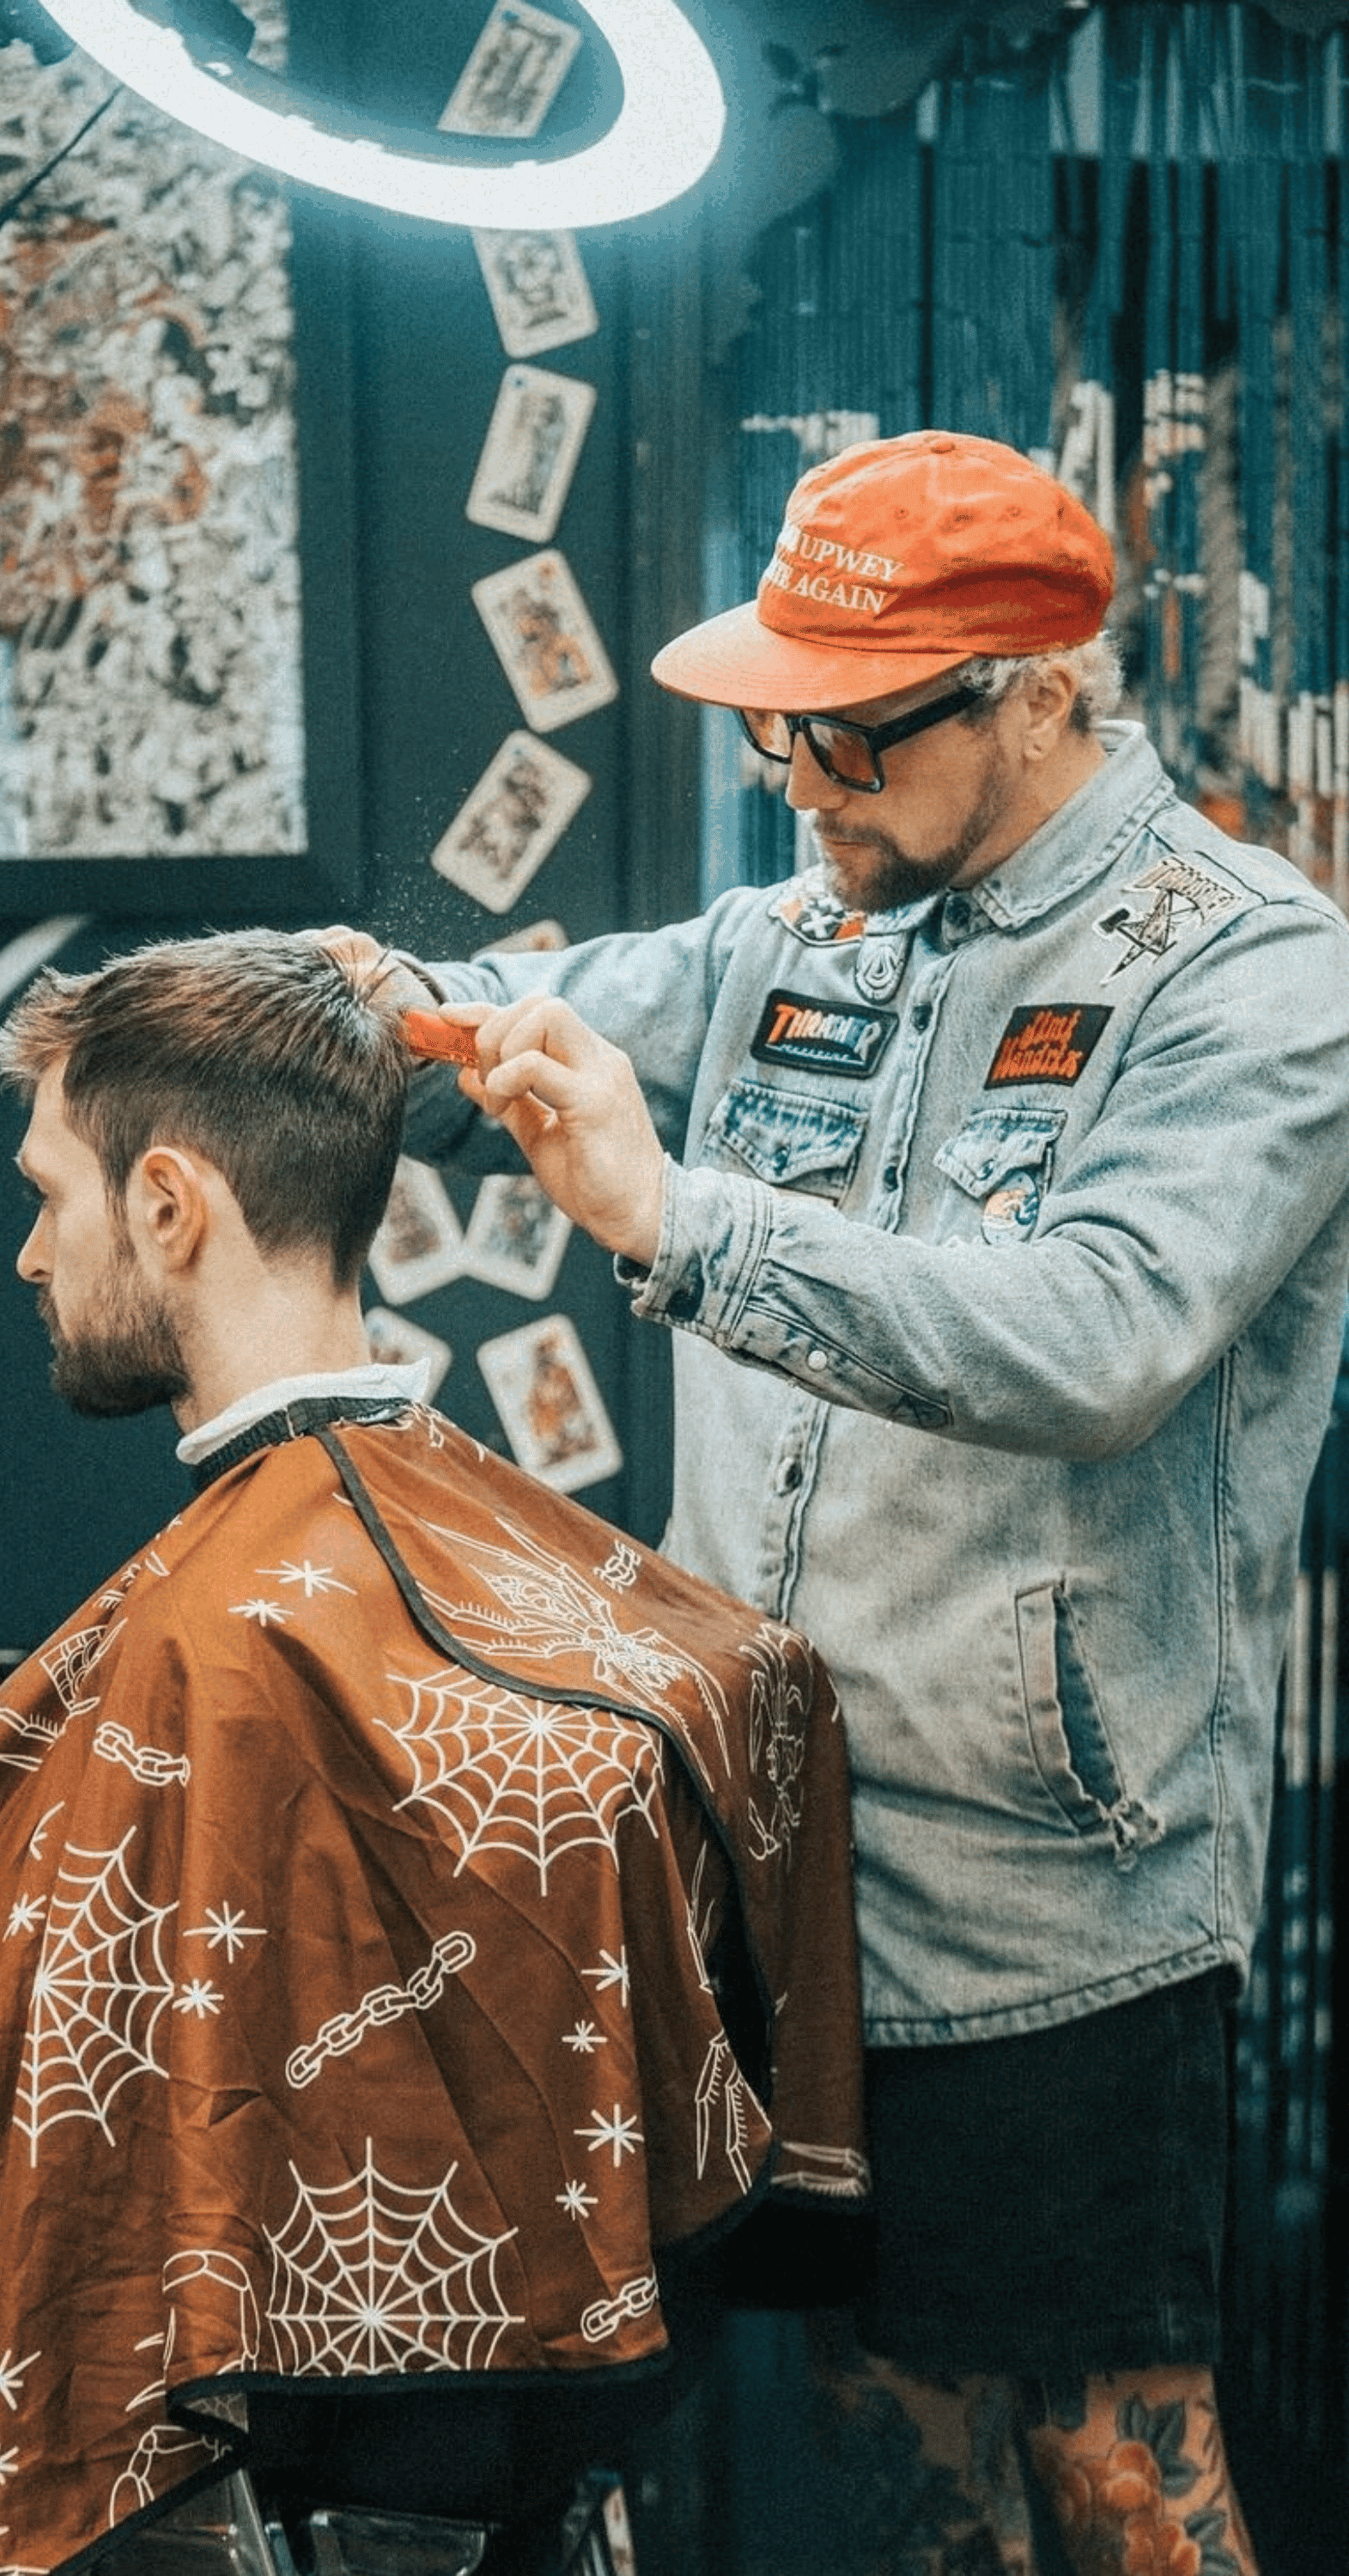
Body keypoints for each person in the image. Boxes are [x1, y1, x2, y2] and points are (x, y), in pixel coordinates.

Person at [325, 428, 1349, 2576]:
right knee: (893, 2441)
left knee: (1111, 2464)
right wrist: (337, 1013)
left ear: (1036, 693)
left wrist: (673, 1219)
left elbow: (1096, 1339)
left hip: (1052, 1893)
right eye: (775, 725)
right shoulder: (808, 922)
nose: (800, 780)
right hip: (778, 1866)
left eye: (849, 733)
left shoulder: (1250, 971)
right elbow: (512, 1024)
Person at [0, 931, 864, 2576]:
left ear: (167, 1206)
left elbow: (76, 2204)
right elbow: (767, 1686)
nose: (28, 1255)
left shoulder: (225, 1648)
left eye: (47, 1196)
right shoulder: (490, 1566)